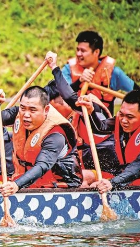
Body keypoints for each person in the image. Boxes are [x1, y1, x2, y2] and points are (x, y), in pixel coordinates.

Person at [0, 86, 82, 196]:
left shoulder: (56, 133)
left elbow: (42, 166)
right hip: (27, 181)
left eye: (32, 110)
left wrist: (16, 185)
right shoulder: (19, 113)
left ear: (46, 110)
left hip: (59, 187)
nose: (26, 115)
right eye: (23, 108)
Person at [44, 51, 120, 186]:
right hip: (86, 168)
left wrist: (54, 67)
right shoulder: (66, 117)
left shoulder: (87, 108)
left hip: (108, 172)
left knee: (69, 177)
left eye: (50, 106)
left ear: (60, 101)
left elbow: (69, 96)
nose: (48, 112)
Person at [76, 90, 140, 192]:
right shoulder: (121, 121)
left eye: (130, 117)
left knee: (99, 185)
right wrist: (91, 111)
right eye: (121, 114)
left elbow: (136, 168)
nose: (124, 120)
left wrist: (112, 183)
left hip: (137, 176)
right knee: (85, 180)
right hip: (125, 175)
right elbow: (100, 128)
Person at [62, 30, 140, 114]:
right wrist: (79, 81)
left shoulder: (113, 72)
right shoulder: (68, 69)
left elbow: (139, 93)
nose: (78, 54)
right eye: (77, 50)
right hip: (76, 119)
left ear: (96, 52)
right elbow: (62, 93)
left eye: (83, 51)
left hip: (103, 123)